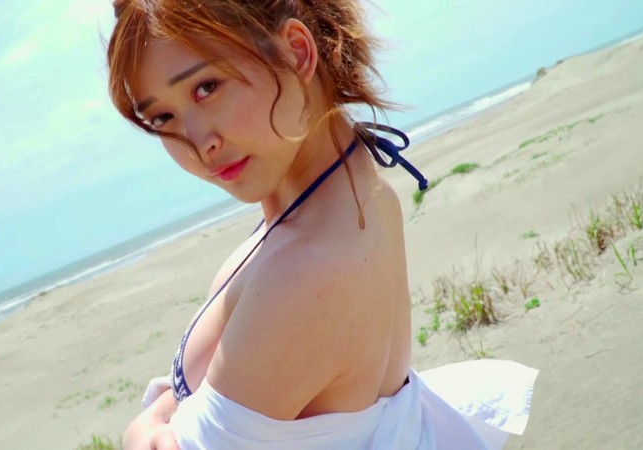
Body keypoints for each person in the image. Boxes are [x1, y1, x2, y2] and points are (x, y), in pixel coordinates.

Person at [105, 1, 536, 449]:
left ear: (296, 52)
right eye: (162, 117)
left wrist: (144, 427)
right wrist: (163, 416)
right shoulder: (344, 193)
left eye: (206, 87)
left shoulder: (309, 266)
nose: (199, 143)